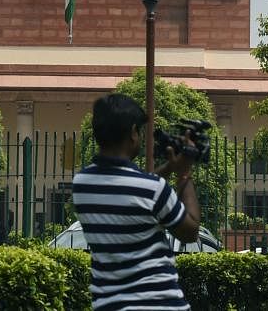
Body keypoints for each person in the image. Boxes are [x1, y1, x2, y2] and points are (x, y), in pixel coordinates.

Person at [72, 94, 201, 310]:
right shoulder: (152, 189)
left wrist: (168, 169)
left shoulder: (81, 184)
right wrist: (184, 174)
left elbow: (133, 189)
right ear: (133, 133)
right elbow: (190, 231)